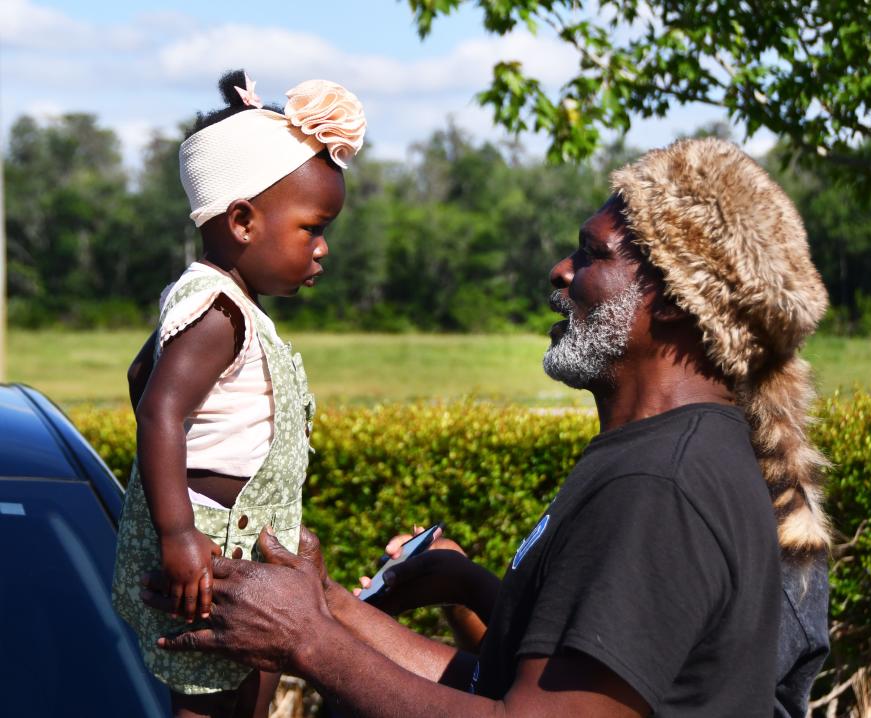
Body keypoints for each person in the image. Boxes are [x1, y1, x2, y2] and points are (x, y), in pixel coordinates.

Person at [142, 137, 831, 716]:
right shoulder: (659, 457)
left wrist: (309, 641)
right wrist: (328, 608)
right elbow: (503, 690)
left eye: (592, 255)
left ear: (678, 302)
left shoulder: (662, 485)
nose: (562, 272)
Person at [112, 69, 365, 718]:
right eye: (312, 227)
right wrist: (179, 531)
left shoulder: (216, 304)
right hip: (211, 562)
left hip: (237, 551)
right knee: (209, 697)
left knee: (247, 691)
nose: (322, 247)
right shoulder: (218, 312)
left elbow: (144, 381)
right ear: (245, 220)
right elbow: (163, 410)